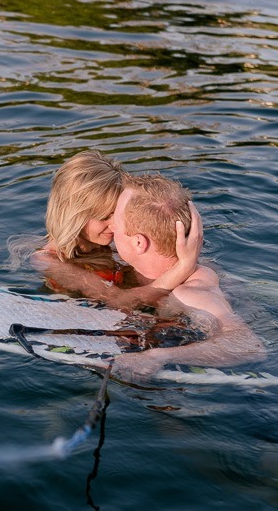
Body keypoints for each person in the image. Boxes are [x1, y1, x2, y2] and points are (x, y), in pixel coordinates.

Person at [101, 173, 266, 381]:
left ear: (139, 243)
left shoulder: (191, 292)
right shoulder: (141, 268)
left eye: (115, 221)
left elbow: (249, 346)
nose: (110, 226)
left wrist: (156, 357)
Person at [32, 150, 202, 310]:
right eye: (105, 216)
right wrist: (184, 267)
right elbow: (116, 300)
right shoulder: (50, 261)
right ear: (73, 216)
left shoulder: (106, 244)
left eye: (117, 213)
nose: (115, 224)